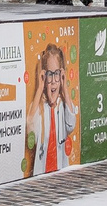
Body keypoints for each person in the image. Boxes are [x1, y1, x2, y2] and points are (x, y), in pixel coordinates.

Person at [29, 42, 78, 175]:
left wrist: (65, 89)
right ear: (44, 78)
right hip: (42, 174)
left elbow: (71, 125)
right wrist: (39, 89)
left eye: (57, 74)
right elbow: (31, 133)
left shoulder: (63, 105)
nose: (53, 81)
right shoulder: (39, 107)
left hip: (61, 174)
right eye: (49, 75)